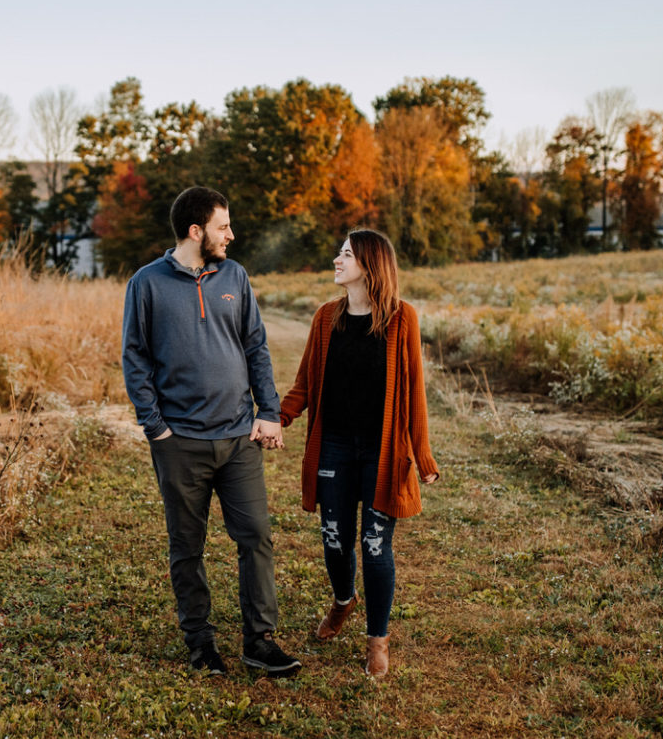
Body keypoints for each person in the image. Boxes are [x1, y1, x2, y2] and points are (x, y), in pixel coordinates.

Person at [122, 186, 301, 678]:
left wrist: (268, 409)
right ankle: (200, 643)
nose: (231, 234)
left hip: (239, 436)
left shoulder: (235, 276)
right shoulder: (147, 284)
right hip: (180, 442)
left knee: (257, 537)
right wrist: (155, 426)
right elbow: (134, 357)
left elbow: (256, 346)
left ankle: (259, 641)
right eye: (224, 226)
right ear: (196, 231)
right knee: (187, 544)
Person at [280, 228, 440, 677]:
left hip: (381, 451)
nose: (336, 259)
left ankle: (377, 640)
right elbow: (305, 385)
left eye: (345, 254)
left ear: (369, 265)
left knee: (374, 546)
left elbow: (414, 394)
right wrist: (279, 417)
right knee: (334, 540)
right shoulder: (325, 317)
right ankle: (343, 601)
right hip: (333, 446)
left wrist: (422, 457)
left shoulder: (401, 319)